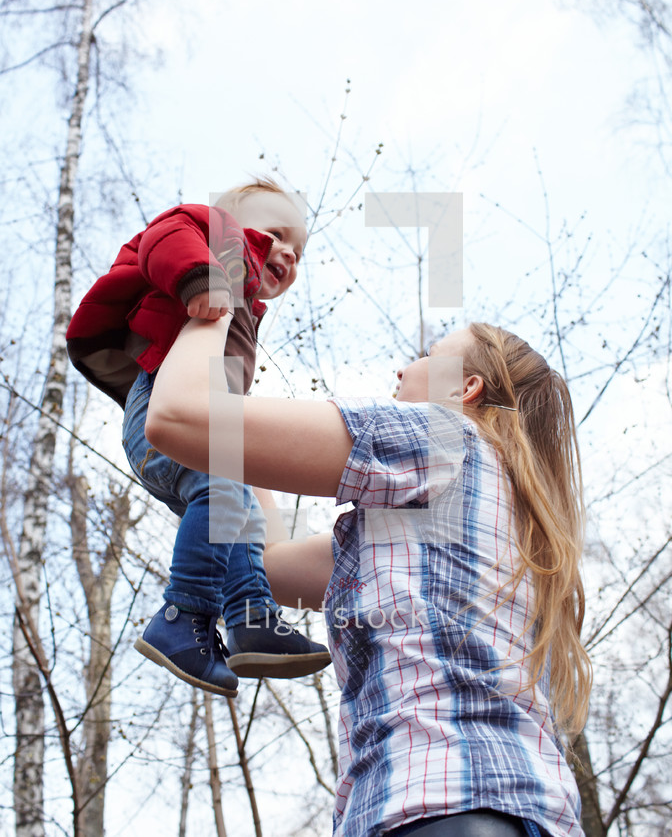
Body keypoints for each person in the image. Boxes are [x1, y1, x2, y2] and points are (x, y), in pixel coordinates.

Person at [144, 316, 592, 837]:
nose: (403, 367)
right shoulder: (490, 518)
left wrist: (211, 308)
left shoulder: (444, 437)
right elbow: (266, 563)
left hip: (443, 804)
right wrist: (235, 438)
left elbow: (177, 419)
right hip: (510, 810)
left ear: (465, 387)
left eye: (428, 353)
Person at [66, 178, 331, 698]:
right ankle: (182, 613)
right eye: (275, 233)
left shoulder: (245, 306)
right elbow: (167, 236)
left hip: (196, 421)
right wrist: (198, 277)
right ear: (230, 222)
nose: (287, 253)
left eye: (297, 251)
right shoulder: (220, 246)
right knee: (228, 493)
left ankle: (251, 615)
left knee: (241, 514)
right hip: (159, 406)